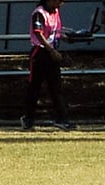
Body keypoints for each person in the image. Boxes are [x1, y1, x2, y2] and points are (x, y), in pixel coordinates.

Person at [21, 0, 76, 131]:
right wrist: (50, 50)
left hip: (52, 52)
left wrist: (70, 37)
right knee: (34, 87)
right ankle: (28, 118)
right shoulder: (39, 13)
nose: (61, 4)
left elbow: (55, 32)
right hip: (40, 53)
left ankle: (62, 118)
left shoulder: (55, 12)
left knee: (56, 88)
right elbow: (38, 33)